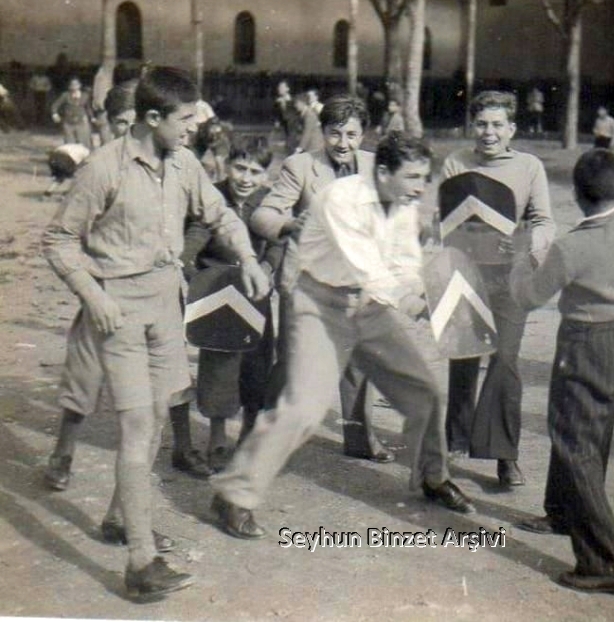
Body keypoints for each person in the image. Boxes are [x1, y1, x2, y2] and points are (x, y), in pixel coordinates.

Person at [42, 66, 271, 600]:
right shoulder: (103, 168)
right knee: (139, 426)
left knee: (160, 417)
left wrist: (247, 257)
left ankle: (120, 519)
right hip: (118, 311)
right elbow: (58, 240)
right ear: (151, 117)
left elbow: (219, 214)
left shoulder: (184, 163)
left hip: (166, 304)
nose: (194, 127)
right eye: (185, 119)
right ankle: (140, 563)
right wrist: (94, 295)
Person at [211, 132, 475, 540]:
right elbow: (370, 269)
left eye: (424, 178)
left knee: (424, 391)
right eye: (413, 177)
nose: (421, 187)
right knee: (303, 409)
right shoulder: (341, 198)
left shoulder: (403, 204)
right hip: (320, 305)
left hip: (368, 307)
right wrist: (425, 310)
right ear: (383, 172)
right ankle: (233, 493)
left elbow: (403, 266)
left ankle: (432, 476)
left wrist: (430, 299)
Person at [512, 149, 614, 594]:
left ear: (576, 195)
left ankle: (611, 562)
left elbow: (529, 297)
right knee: (592, 432)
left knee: (574, 443)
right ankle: (563, 513)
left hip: (582, 343)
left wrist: (524, 260)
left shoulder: (570, 247)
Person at [250, 94, 392, 464]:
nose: (343, 143)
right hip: (307, 284)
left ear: (363, 135)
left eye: (351, 135)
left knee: (359, 363)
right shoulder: (300, 166)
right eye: (334, 133)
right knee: (295, 363)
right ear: (323, 131)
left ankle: (360, 438)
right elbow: (262, 216)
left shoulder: (376, 166)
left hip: (357, 282)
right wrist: (288, 225)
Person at [441, 90, 556, 488]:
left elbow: (544, 221)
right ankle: (455, 439)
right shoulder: (455, 163)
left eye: (497, 125)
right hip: (465, 271)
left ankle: (504, 454)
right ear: (472, 126)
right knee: (464, 356)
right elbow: (444, 219)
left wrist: (526, 242)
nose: (488, 132)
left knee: (505, 360)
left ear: (512, 129)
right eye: (481, 124)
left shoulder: (529, 167)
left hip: (510, 277)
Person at [179, 136, 282, 472]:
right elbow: (193, 241)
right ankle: (217, 438)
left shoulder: (267, 202)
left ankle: (249, 435)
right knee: (218, 370)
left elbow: (278, 241)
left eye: (255, 171)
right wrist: (198, 277)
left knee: (257, 368)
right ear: (226, 165)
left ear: (265, 175)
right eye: (240, 168)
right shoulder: (213, 198)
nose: (246, 178)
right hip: (219, 299)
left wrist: (267, 269)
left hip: (256, 296)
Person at [51, 76, 94, 148]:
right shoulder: (65, 95)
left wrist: (92, 117)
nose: (74, 86)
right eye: (72, 85)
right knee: (70, 144)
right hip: (68, 122)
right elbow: (55, 106)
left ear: (80, 85)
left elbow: (88, 108)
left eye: (76, 84)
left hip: (82, 122)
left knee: (84, 143)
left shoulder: (85, 96)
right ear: (69, 86)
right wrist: (55, 114)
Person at [273, 79, 298, 152]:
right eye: (279, 87)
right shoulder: (278, 101)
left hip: (292, 127)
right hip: (284, 128)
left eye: (282, 87)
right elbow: (277, 114)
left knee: (291, 145)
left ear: (288, 89)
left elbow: (296, 114)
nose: (280, 89)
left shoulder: (293, 100)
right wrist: (277, 121)